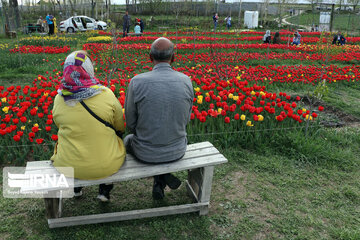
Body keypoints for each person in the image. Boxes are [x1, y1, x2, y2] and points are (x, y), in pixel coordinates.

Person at [51, 50, 126, 202]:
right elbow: (120, 125)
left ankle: (77, 188)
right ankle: (104, 188)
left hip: (69, 166)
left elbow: (58, 124)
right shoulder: (106, 94)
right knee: (112, 141)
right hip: (107, 164)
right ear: (88, 69)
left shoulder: (59, 99)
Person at [124, 37, 194, 200]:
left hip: (145, 153)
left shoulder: (137, 82)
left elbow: (130, 123)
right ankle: (162, 179)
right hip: (177, 150)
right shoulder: (186, 81)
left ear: (150, 57)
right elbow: (186, 119)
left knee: (128, 140)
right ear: (173, 58)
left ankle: (160, 179)